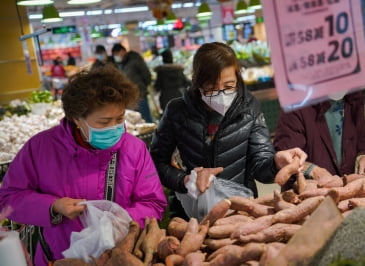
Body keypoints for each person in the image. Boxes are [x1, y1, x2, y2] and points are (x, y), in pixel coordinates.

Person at [0, 65, 167, 266]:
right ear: (77, 119)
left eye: (119, 118)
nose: (114, 128)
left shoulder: (135, 149)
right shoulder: (40, 149)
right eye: (104, 122)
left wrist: (122, 221)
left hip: (121, 258)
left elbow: (153, 203)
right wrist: (52, 207)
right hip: (59, 258)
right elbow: (8, 200)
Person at [149, 42, 307, 219]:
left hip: (239, 210)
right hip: (189, 214)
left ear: (238, 78)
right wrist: (185, 180)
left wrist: (276, 162)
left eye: (229, 86)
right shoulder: (177, 111)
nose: (221, 94)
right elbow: (155, 162)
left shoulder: (249, 108)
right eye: (211, 88)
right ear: (196, 82)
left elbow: (261, 164)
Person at [273, 90, 365, 188]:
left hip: (348, 190)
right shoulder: (296, 103)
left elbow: (362, 137)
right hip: (308, 192)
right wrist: (313, 170)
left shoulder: (354, 96)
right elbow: (287, 156)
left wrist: (364, 157)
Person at [111, 43, 153, 123]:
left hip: (140, 94)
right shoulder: (120, 64)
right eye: (115, 55)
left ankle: (152, 135)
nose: (116, 56)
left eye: (117, 54)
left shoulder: (135, 59)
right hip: (129, 97)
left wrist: (142, 87)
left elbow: (146, 74)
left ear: (123, 51)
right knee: (135, 121)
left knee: (146, 119)